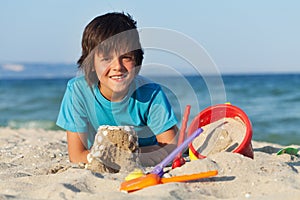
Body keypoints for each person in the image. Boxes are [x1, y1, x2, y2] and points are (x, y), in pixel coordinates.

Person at [56, 12, 178, 167]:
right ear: (91, 64)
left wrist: (123, 155)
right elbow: (76, 155)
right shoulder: (77, 91)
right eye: (106, 59)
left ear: (137, 59)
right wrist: (131, 158)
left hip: (143, 147)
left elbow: (171, 149)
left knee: (182, 139)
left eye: (126, 57)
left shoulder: (151, 93)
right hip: (141, 153)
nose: (117, 67)